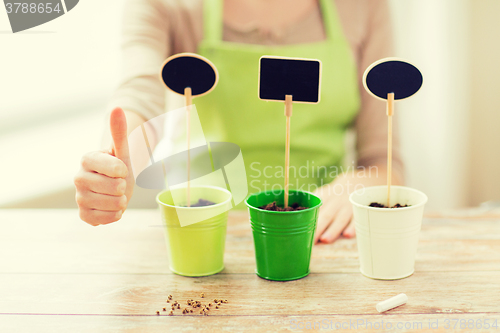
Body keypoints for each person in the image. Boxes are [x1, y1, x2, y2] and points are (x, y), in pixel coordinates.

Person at [74, 0, 404, 243]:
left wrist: (358, 185)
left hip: (321, 236)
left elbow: (385, 161)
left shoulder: (365, 6)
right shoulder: (168, 6)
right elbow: (139, 90)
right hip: (202, 232)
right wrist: (113, 165)